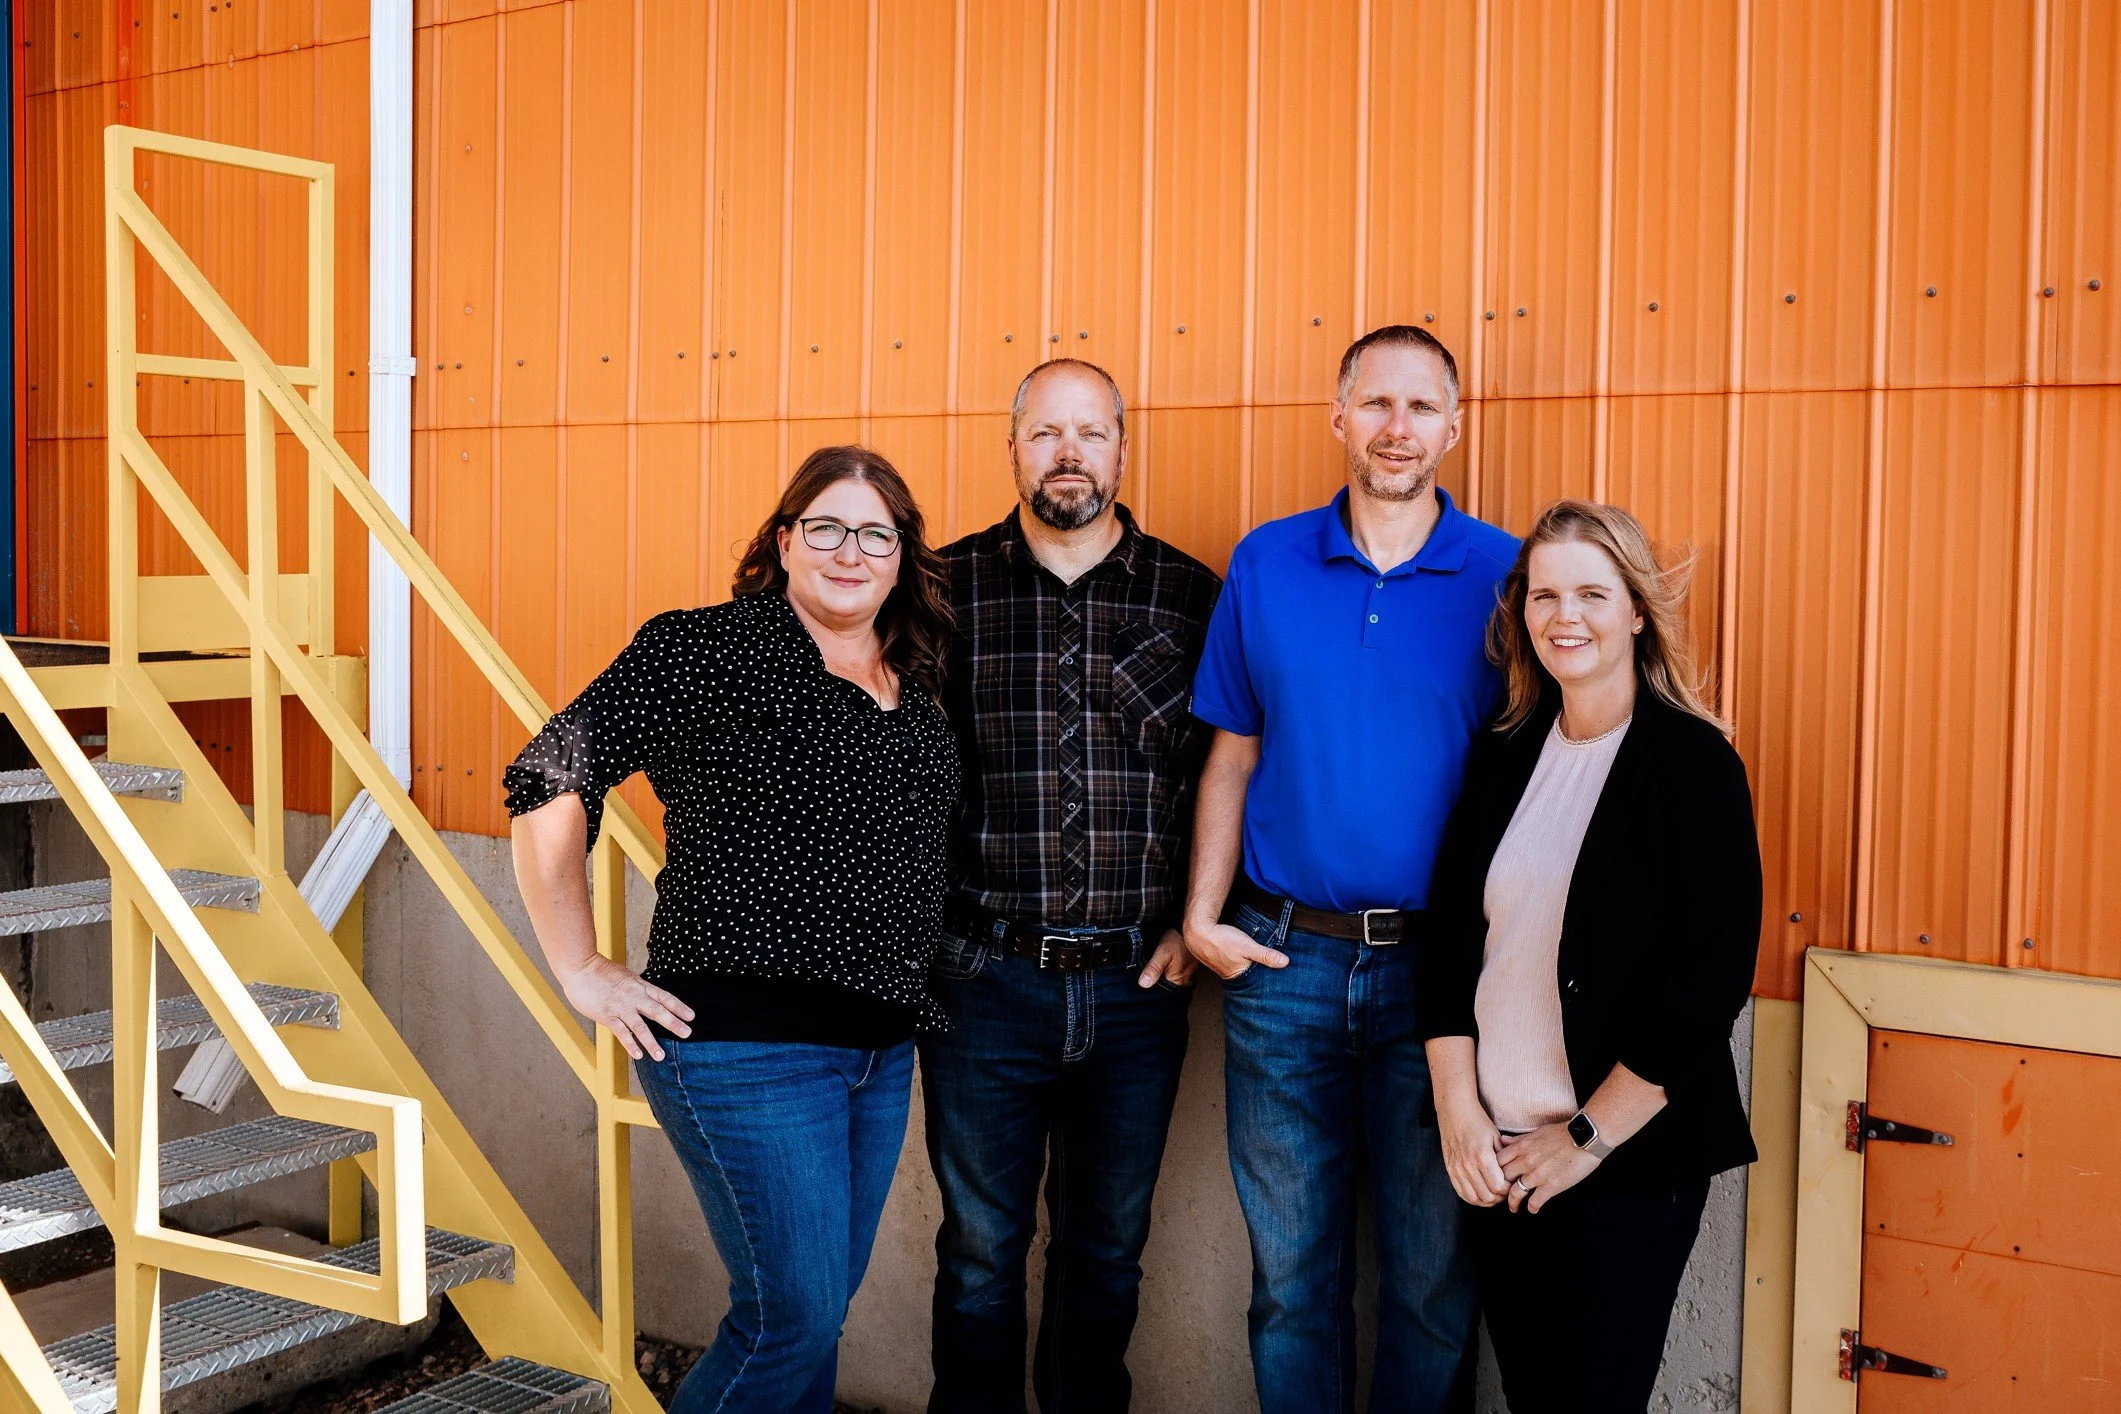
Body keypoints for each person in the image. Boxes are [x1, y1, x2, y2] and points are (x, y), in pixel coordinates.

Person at [504, 446, 960, 1414]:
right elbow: (549, 778)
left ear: (900, 555)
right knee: (788, 1316)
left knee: (816, 1312)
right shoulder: (705, 649)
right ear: (785, 539)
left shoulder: (913, 679)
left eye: (876, 532)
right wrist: (581, 965)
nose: (851, 551)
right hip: (746, 1045)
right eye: (827, 527)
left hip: (878, 1052)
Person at [1183, 326, 1516, 1413]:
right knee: (1292, 1281)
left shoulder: (1508, 576)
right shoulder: (1268, 561)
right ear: (1339, 418)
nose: (1397, 427)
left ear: (1455, 426)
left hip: (1441, 981)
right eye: (1376, 404)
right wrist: (1200, 914)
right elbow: (1232, 751)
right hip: (1282, 967)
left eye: (1422, 408)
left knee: (1430, 1280)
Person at [1416, 500, 1763, 1414]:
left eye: (1590, 594)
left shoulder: (1692, 763)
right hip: (1501, 1160)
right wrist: (1457, 1108)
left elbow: (1710, 980)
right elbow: (1450, 941)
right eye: (1543, 596)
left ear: (1637, 611)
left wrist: (1584, 1140)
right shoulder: (1505, 752)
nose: (1563, 617)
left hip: (1620, 1164)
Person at [924, 358, 1221, 1413]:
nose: (1068, 453)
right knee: (980, 1251)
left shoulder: (1192, 595)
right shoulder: (941, 590)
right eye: (1046, 432)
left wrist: (1200, 918)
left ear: (1122, 449)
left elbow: (1232, 771)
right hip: (983, 979)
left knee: (1105, 1253)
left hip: (1140, 987)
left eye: (1090, 432)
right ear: (1011, 448)